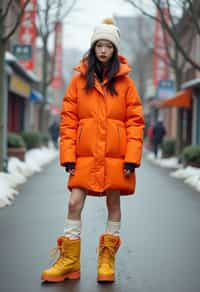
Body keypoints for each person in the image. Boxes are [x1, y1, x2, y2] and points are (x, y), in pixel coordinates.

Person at [41, 18, 144, 283]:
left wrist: (132, 157)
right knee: (74, 202)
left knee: (113, 202)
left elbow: (134, 122)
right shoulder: (77, 82)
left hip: (116, 155)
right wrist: (68, 156)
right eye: (99, 44)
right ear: (93, 47)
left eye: (108, 45)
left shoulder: (126, 84)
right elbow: (68, 121)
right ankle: (70, 261)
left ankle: (106, 260)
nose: (103, 50)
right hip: (85, 155)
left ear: (115, 49)